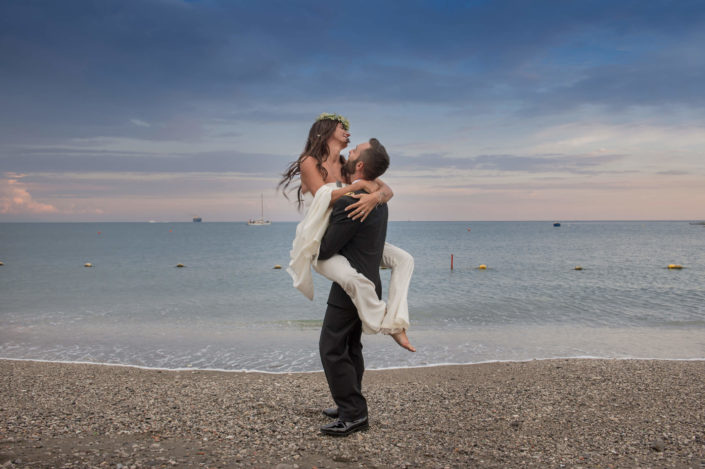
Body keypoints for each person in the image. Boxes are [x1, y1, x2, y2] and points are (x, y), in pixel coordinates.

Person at [279, 113, 414, 351]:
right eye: (343, 127)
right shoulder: (309, 162)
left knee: (405, 259)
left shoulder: (344, 163)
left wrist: (374, 197)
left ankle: (397, 318)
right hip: (321, 241)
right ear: (327, 129)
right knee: (355, 280)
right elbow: (326, 197)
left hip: (349, 239)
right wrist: (360, 186)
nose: (348, 133)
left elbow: (386, 190)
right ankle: (386, 324)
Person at [316, 137, 390, 435]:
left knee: (331, 347)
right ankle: (350, 403)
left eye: (355, 151)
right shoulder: (377, 198)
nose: (350, 151)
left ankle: (354, 414)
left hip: (352, 286)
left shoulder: (351, 201)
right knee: (350, 345)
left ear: (360, 165)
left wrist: (311, 240)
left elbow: (325, 249)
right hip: (370, 281)